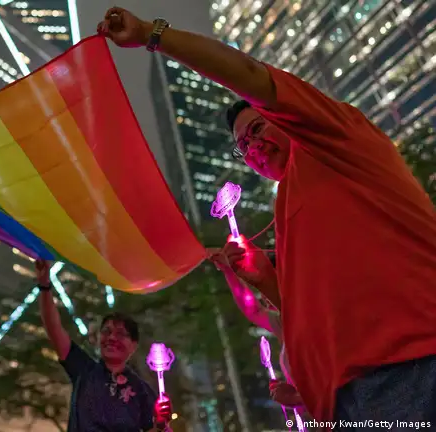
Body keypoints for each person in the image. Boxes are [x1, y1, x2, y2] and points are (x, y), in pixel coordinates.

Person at [97, 8, 436, 427]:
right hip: (349, 397)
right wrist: (265, 280)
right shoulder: (290, 203)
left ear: (283, 117)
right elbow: (308, 313)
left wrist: (152, 34)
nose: (252, 147)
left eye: (257, 129)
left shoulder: (334, 139)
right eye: (243, 146)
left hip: (410, 365)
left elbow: (250, 76)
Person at [35, 260, 173, 431]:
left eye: (121, 334)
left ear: (133, 345)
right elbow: (53, 328)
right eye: (106, 331)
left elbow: (160, 429)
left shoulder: (142, 391)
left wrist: (161, 425)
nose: (112, 337)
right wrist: (44, 285)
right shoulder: (84, 370)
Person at [208, 244, 305, 414]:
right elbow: (253, 310)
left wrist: (297, 398)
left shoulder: (309, 319)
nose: (265, 298)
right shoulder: (282, 323)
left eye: (267, 284)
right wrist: (229, 271)